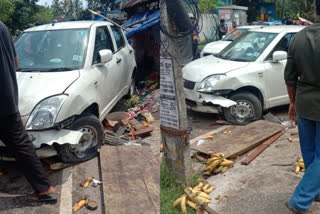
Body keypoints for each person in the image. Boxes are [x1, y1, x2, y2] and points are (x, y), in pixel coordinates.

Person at [0, 21, 57, 202]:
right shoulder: (2, 27)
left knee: (21, 145)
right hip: (8, 100)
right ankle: (44, 188)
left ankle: (45, 189)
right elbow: (15, 63)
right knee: (22, 145)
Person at [284, 1, 320, 213]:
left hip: (305, 103)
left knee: (309, 152)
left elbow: (289, 76)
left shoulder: (299, 37)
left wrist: (292, 102)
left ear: (315, 9)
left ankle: (316, 191)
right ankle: (301, 200)